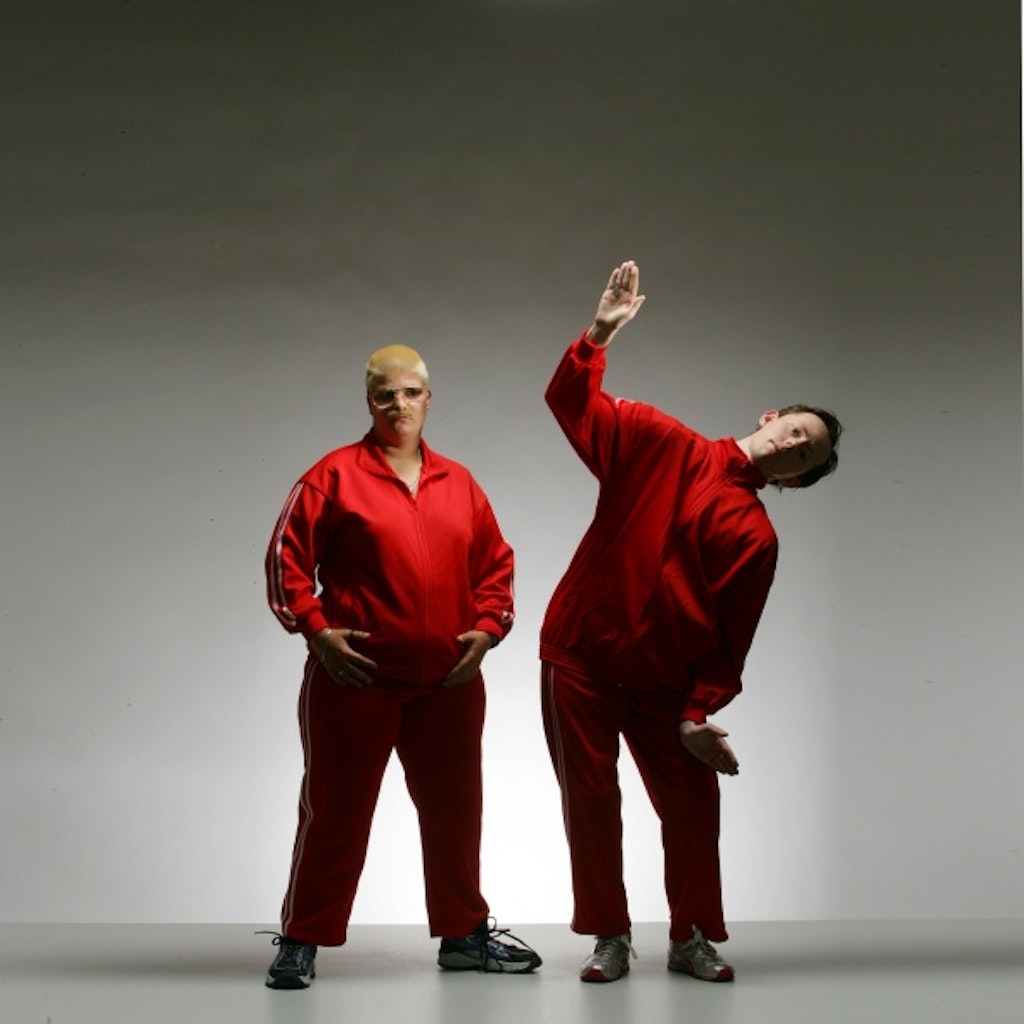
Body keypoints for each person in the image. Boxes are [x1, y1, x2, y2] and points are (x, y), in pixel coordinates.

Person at [540, 261, 842, 985]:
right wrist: (598, 335)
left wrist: (696, 713)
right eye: (796, 430)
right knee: (591, 802)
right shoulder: (657, 438)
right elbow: (570, 402)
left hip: (661, 687)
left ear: (795, 481)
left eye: (805, 454)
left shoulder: (756, 538)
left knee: (693, 807)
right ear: (771, 417)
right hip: (580, 656)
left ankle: (691, 938)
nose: (793, 445)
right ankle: (610, 936)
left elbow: (730, 643)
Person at [263, 344, 541, 989]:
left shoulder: (460, 482)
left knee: (456, 813)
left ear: (428, 399)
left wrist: (488, 629)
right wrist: (318, 633)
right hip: (355, 680)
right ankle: (302, 939)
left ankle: (464, 935)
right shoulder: (332, 476)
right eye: (385, 394)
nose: (399, 404)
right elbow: (285, 563)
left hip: (448, 683)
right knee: (335, 812)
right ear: (369, 401)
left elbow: (496, 566)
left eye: (410, 392)